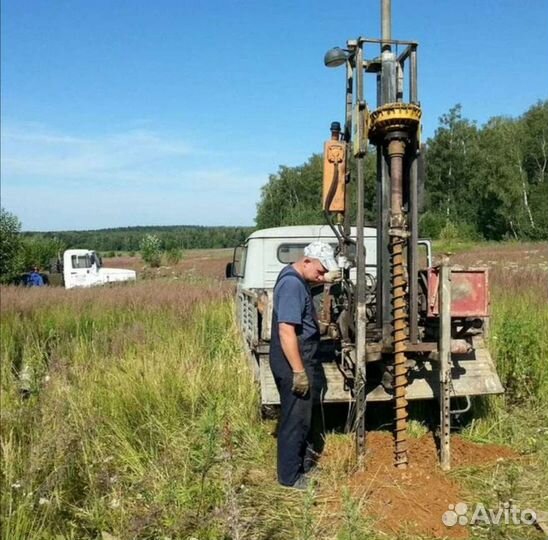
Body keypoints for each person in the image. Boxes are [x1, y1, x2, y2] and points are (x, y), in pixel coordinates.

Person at [269, 241, 341, 489]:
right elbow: (286, 331)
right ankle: (290, 477)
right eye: (321, 270)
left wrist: (327, 278)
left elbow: (312, 283)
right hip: (293, 360)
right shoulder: (291, 285)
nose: (321, 276)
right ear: (307, 260)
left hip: (297, 357)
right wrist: (299, 372)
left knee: (301, 416)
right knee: (295, 419)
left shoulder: (296, 276)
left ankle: (302, 464)